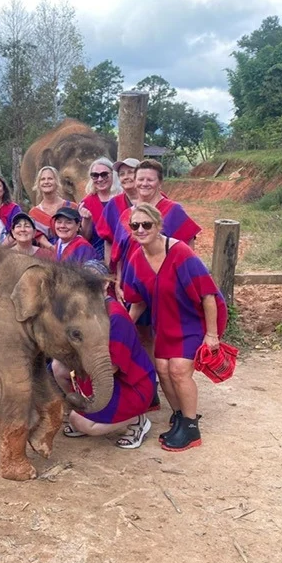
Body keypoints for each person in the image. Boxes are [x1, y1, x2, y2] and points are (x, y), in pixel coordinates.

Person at [123, 203, 227, 452]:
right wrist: (124, 328)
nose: (140, 229)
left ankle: (191, 428)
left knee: (179, 370)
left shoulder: (180, 252)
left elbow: (208, 295)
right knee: (163, 369)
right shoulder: (137, 258)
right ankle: (180, 416)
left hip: (191, 321)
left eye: (146, 224)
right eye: (135, 225)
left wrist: (212, 335)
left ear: (158, 226)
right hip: (165, 323)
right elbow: (136, 301)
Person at [51, 295, 156, 448]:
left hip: (129, 384)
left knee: (79, 421)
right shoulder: (82, 311)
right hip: (96, 374)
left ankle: (137, 419)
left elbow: (110, 369)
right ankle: (85, 408)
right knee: (58, 367)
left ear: (105, 284)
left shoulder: (116, 318)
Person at [108, 158, 201, 293]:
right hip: (131, 284)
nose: (144, 184)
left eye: (150, 180)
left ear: (160, 183)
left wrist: (183, 281)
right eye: (140, 179)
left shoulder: (173, 210)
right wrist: (118, 284)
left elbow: (189, 248)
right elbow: (119, 255)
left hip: (165, 286)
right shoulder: (126, 215)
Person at [95, 158, 140, 264]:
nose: (126, 177)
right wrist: (109, 268)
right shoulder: (114, 204)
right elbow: (108, 240)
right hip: (123, 264)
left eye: (130, 172)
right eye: (122, 174)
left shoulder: (156, 200)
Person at [78, 157, 120, 259]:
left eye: (104, 174)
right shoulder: (86, 203)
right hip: (97, 254)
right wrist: (86, 220)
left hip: (121, 250)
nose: (100, 179)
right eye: (95, 175)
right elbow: (85, 238)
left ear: (113, 174)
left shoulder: (122, 198)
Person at [28, 166, 75, 248]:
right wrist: (52, 248)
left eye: (50, 178)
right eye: (42, 179)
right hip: (47, 255)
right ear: (38, 184)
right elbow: (38, 236)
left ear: (57, 181)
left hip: (72, 252)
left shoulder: (71, 207)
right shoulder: (34, 213)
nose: (46, 182)